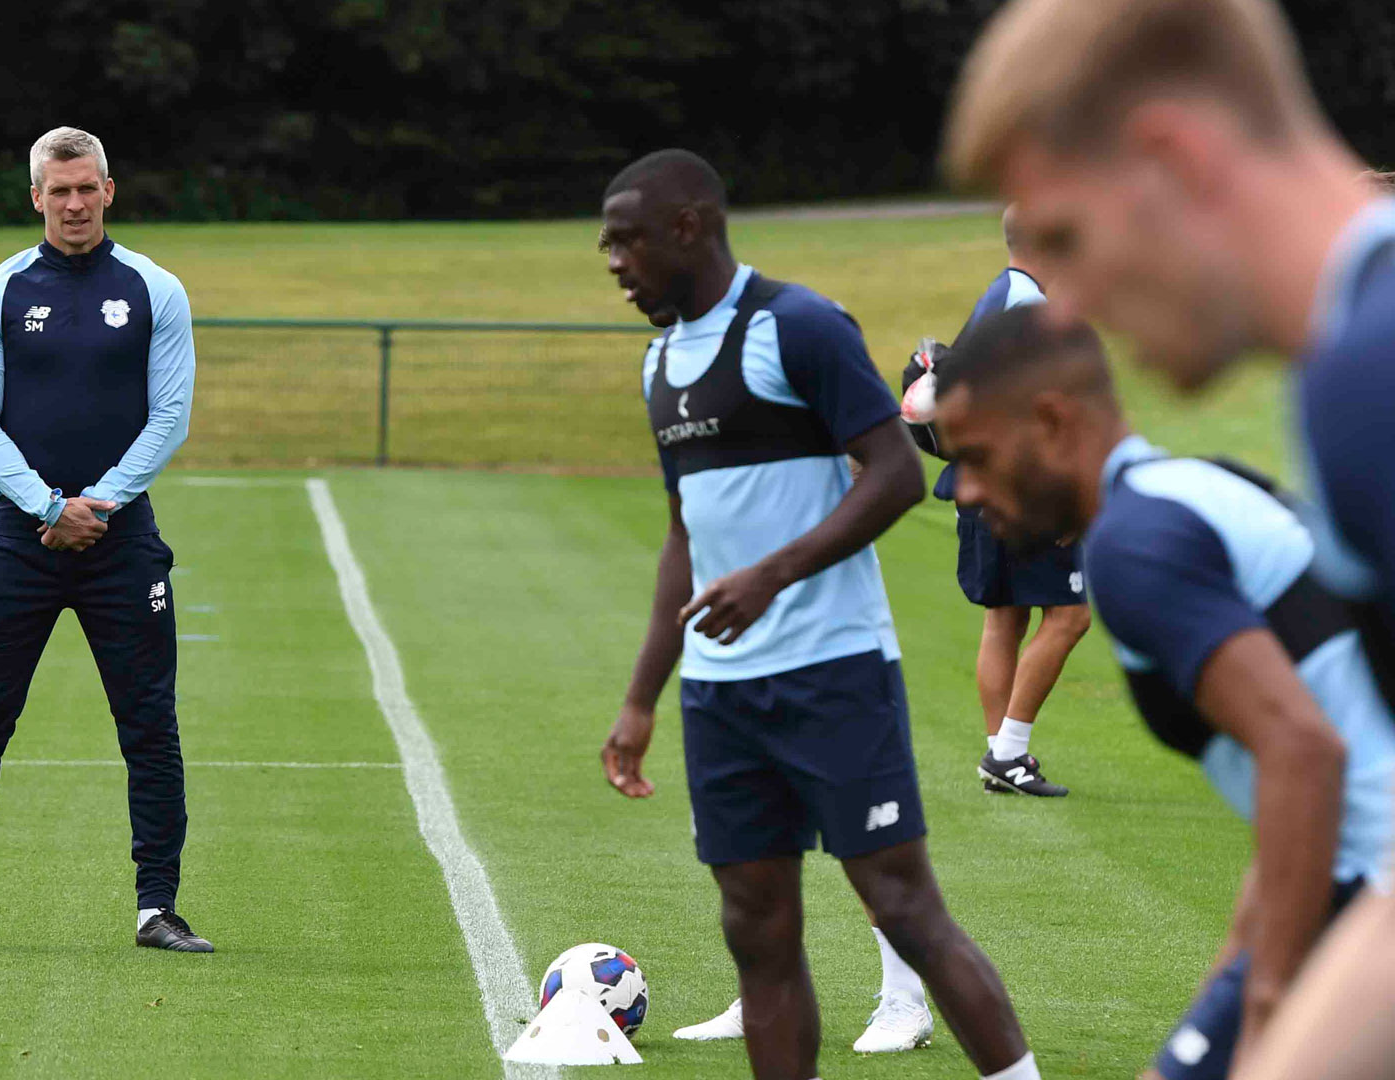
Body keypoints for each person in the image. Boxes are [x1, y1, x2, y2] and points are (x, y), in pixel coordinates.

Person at [943, 2, 1395, 1073]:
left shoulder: (1368, 381)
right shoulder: (1344, 376)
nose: (1071, 310)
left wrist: (1270, 1004)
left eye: (1065, 242)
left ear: (1173, 159)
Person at [597, 148, 1038, 1079]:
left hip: (833, 669)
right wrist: (642, 695)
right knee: (758, 931)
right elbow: (684, 534)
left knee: (905, 908)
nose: (613, 262)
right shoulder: (659, 361)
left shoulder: (798, 326)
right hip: (720, 695)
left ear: (689, 228)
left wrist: (771, 575)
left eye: (626, 240)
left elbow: (894, 473)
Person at [0, 126, 210, 954]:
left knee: (149, 725)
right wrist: (46, 505)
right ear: (35, 197)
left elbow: (169, 414)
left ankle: (158, 907)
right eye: (58, 190)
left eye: (87, 188)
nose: (74, 204)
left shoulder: (155, 290)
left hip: (121, 538)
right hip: (18, 537)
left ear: (110, 189)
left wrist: (97, 503)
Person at [904, 206, 1089, 797]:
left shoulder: (1001, 294)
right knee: (1070, 615)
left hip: (978, 486)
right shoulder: (1028, 305)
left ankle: (1001, 755)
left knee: (1004, 617)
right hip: (1018, 491)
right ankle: (1007, 753)